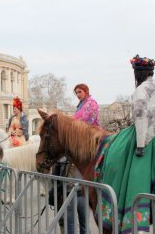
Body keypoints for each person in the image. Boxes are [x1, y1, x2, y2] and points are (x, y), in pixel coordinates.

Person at [64, 83, 100, 234]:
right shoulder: (80, 104)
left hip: (91, 136)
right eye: (76, 93)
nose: (78, 95)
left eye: (79, 92)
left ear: (86, 91)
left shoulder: (92, 103)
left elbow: (86, 121)